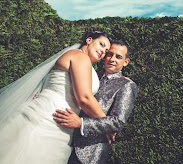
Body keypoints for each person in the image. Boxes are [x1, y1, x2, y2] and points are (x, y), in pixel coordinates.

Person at [0, 28, 111, 164]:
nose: (103, 52)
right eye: (101, 44)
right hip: (48, 119)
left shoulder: (79, 59)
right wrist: (107, 124)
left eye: (106, 51)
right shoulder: (80, 57)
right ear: (89, 40)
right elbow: (85, 98)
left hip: (60, 122)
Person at [53, 40, 137, 164]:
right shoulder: (92, 75)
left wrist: (81, 123)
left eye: (118, 57)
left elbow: (118, 122)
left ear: (125, 62)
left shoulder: (127, 85)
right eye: (110, 54)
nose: (112, 59)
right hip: (63, 138)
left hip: (89, 152)